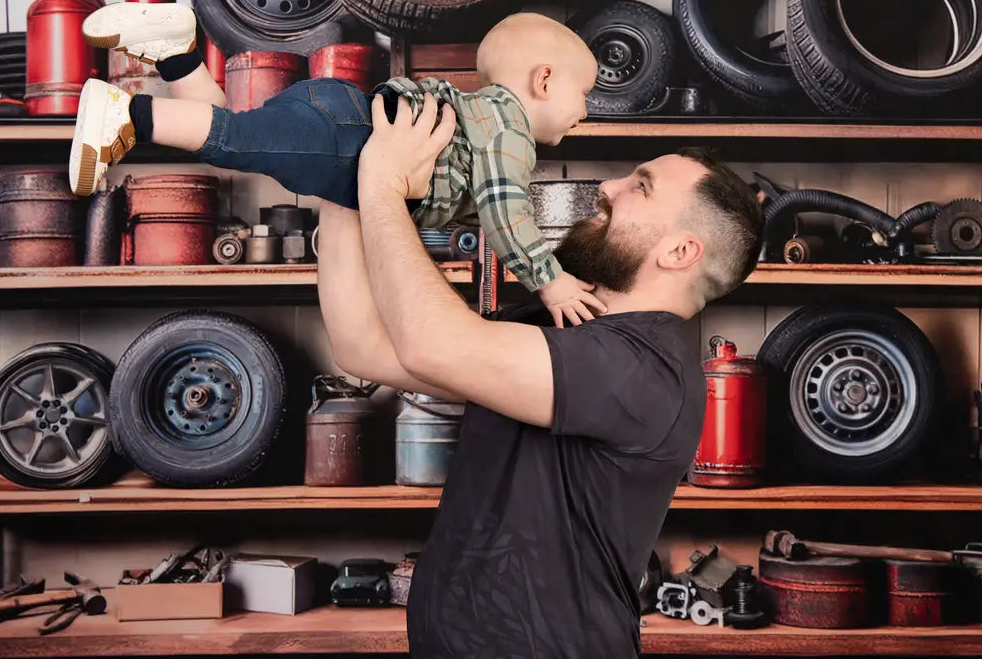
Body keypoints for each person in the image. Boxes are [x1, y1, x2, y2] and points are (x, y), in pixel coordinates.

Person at [320, 93, 764, 658]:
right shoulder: (559, 326)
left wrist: (381, 187)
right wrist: (335, 184)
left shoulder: (646, 370)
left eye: (641, 187)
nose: (607, 188)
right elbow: (362, 347)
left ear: (680, 250)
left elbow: (432, 344)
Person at [66, 4, 605, 324]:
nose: (586, 111)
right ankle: (130, 113)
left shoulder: (479, 121)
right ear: (544, 80)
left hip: (344, 111)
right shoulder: (509, 130)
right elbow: (504, 207)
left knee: (235, 133)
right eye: (585, 93)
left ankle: (176, 52)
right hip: (351, 141)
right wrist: (548, 280)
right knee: (236, 140)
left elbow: (467, 208)